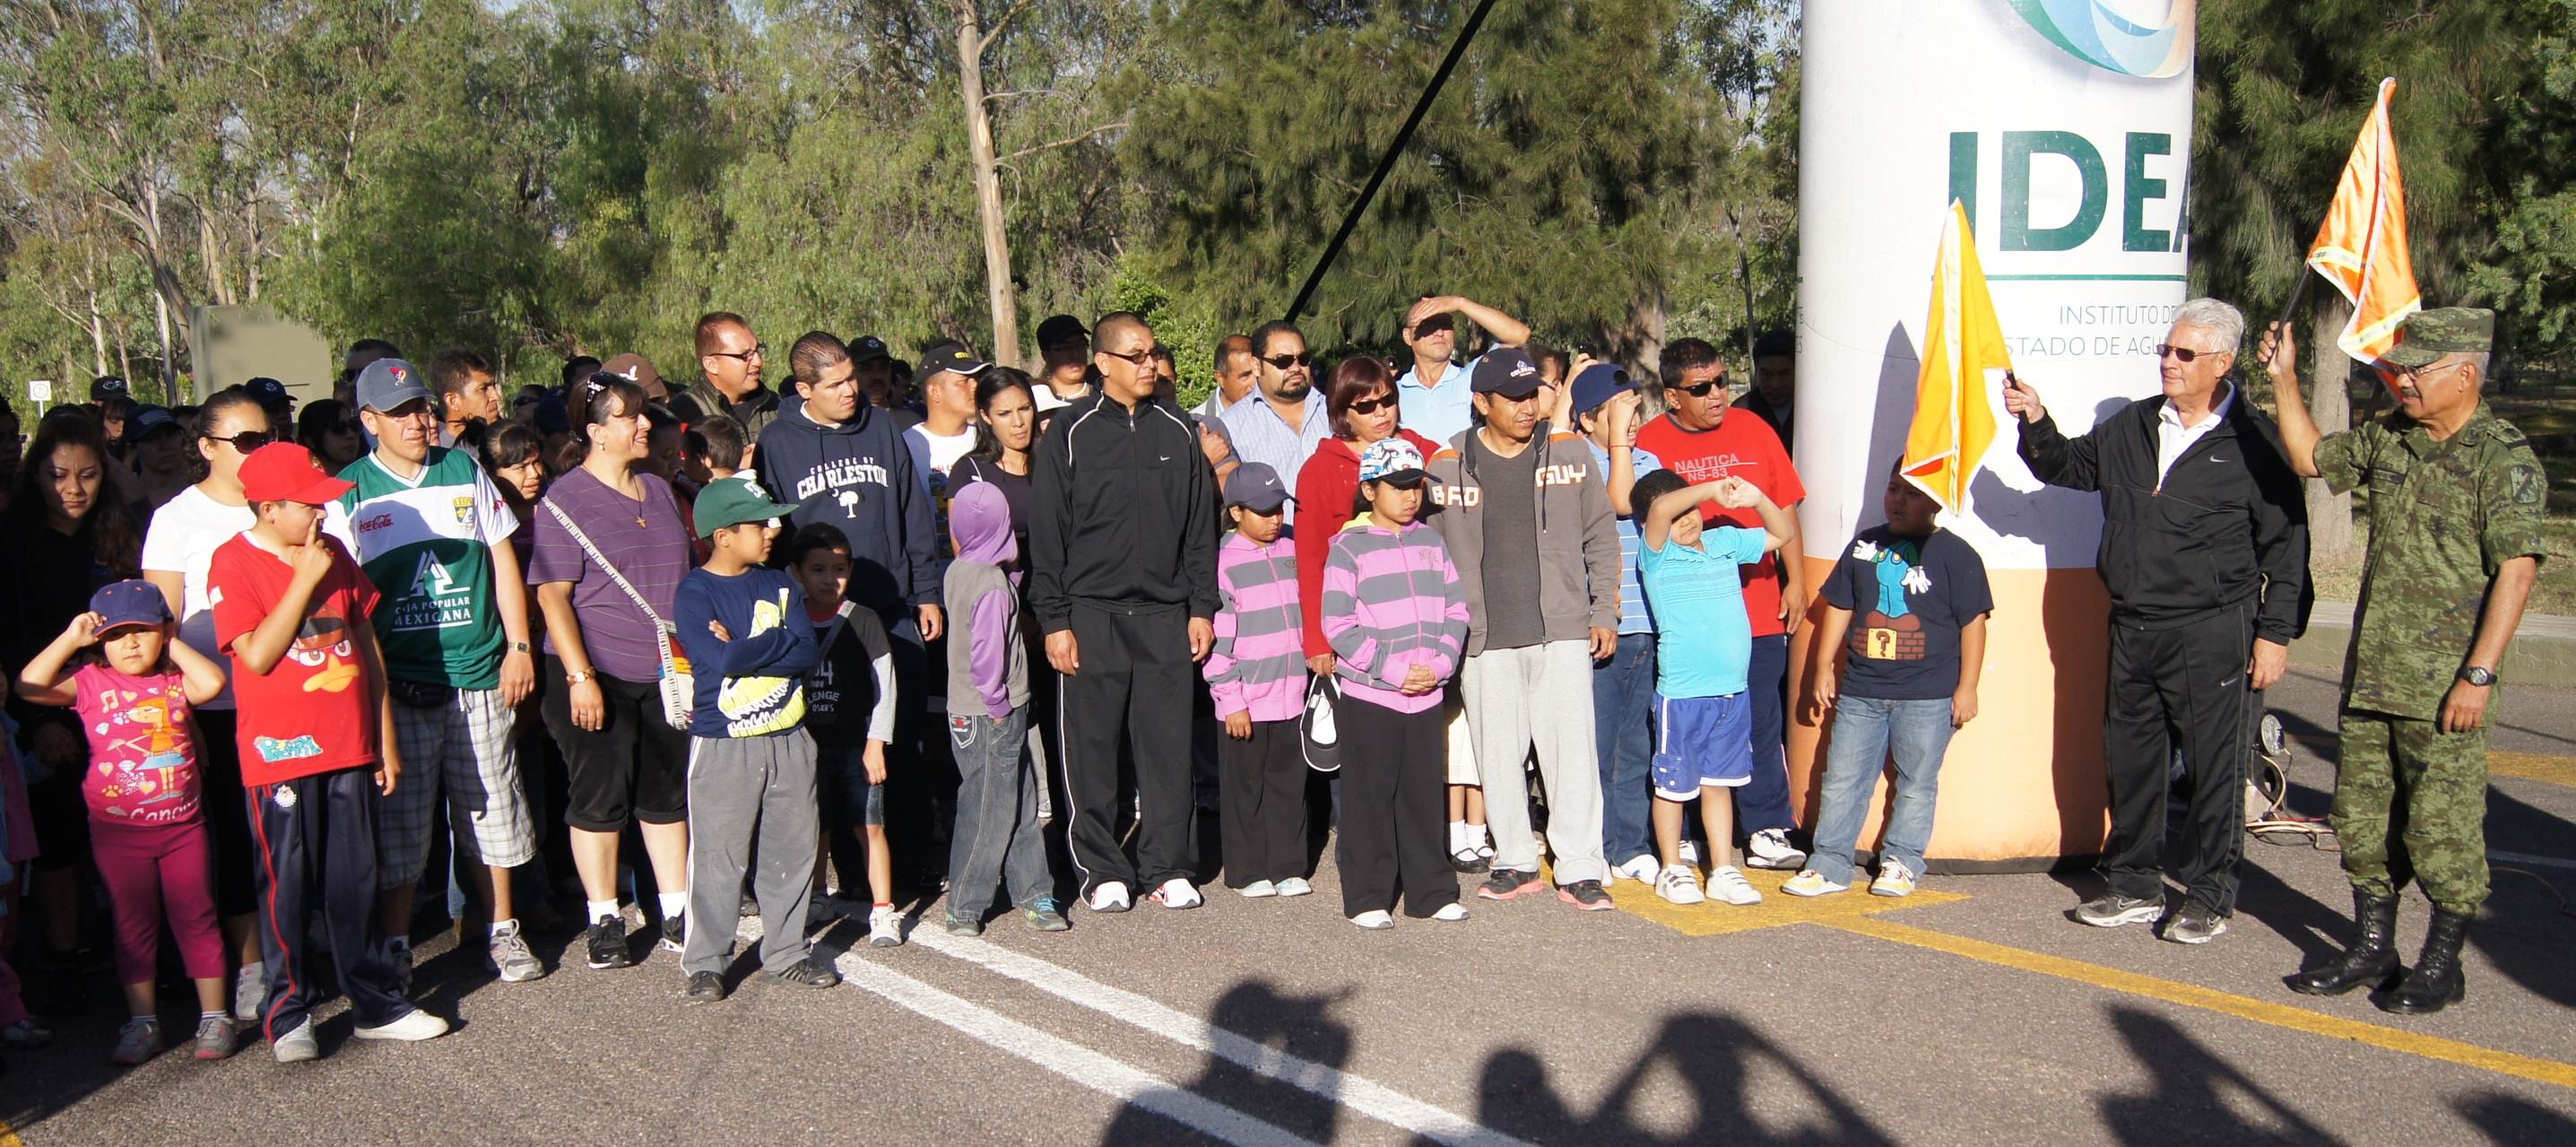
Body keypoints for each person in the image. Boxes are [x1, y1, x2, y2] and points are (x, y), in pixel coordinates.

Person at [2261, 309, 2544, 1012]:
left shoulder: (2501, 458)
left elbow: (2516, 572)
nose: (2402, 380)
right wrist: (2284, 378)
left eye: (2417, 369)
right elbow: (2309, 458)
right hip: (2374, 675)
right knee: (2361, 821)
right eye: (2399, 368)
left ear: (2465, 373)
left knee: (2441, 829)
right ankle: (2371, 946)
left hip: (2445, 685)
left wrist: (2478, 674)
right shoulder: (2391, 434)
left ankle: (2440, 963)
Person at [2005, 297, 2309, 943]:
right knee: (2133, 763)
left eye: (2184, 353)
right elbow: (2070, 466)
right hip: (2133, 625)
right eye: (2165, 350)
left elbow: (2287, 546)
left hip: (2213, 629)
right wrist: (2035, 420)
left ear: (2222, 363)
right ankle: (2134, 884)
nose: (2168, 361)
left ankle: (2209, 895)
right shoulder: (2135, 424)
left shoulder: (2254, 442)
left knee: (2213, 770)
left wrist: (2274, 634)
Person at [211, 442, 447, 1059]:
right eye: (308, 503)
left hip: (348, 747)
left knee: (356, 883)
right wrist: (303, 579)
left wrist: (383, 738)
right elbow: (258, 654)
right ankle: (289, 1012)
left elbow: (366, 644)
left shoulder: (334, 551)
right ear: (268, 508)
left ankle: (376, 1003)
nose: (322, 513)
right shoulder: (233, 561)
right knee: (286, 886)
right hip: (280, 755)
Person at [143, 389, 357, 1026]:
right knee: (244, 844)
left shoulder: (301, 503)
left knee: (309, 841)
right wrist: (182, 706)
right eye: (245, 441)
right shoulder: (177, 519)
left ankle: (307, 945)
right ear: (206, 447)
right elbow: (161, 627)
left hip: (307, 699)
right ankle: (253, 964)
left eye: (268, 436)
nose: (260, 448)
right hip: (220, 706)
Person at [337, 359, 544, 984]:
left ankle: (502, 929)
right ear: (369, 420)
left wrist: (519, 646)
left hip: (479, 673)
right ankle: (397, 943)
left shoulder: (463, 469)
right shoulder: (347, 490)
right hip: (400, 685)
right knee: (402, 826)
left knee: (493, 811)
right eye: (399, 412)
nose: (416, 421)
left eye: (421, 408)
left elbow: (503, 561)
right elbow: (342, 601)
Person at [1029, 312, 1219, 913]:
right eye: (1134, 355)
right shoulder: (1070, 432)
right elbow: (1048, 533)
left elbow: (1200, 530)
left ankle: (1167, 865)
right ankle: (1102, 868)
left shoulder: (1179, 429)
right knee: (1092, 750)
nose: (1148, 364)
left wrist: (1201, 607)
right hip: (1091, 614)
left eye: (1152, 353)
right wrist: (1055, 620)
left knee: (1168, 750)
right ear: (1102, 363)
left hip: (1165, 616)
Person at [1424, 348, 1622, 909]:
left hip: (1562, 630)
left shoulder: (1569, 451)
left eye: (1532, 394)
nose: (1527, 407)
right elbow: (1429, 552)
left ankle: (1580, 867)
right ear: (1481, 402)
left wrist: (1603, 612)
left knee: (1571, 754)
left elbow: (1601, 535)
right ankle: (1513, 858)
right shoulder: (1446, 463)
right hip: (1483, 635)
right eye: (1512, 398)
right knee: (1496, 755)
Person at [14, 581, 236, 1064]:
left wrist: (172, 640)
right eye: (115, 634)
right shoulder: (89, 682)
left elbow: (212, 683)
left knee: (197, 917)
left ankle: (215, 1016)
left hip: (183, 829)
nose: (130, 643)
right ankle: (142, 1021)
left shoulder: (174, 681)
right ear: (99, 642)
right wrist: (71, 639)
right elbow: (28, 685)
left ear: (164, 632)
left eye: (143, 631)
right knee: (134, 926)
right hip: (118, 835)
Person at [526, 372, 697, 970]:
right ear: (596, 432)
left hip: (667, 671)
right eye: (628, 416)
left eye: (643, 413)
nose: (644, 424)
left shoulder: (660, 489)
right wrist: (581, 678)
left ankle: (676, 909)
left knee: (666, 793)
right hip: (594, 671)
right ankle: (604, 917)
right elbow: (552, 596)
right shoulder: (564, 501)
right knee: (599, 797)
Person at [1635, 337, 1810, 873]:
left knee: (1759, 725)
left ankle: (1766, 828)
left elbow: (1784, 508)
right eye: (1701, 388)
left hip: (1756, 609)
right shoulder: (1650, 441)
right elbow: (1646, 515)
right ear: (1672, 396)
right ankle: (1687, 838)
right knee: (1688, 734)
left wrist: (1796, 580)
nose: (1717, 394)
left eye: (1721, 381)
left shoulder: (1755, 428)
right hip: (1686, 623)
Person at [1787, 466, 1991, 899]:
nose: (1897, 500)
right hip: (1861, 692)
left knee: (1916, 783)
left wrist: (1967, 686)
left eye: (1912, 494)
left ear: (1935, 501)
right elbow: (1840, 606)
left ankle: (1901, 861)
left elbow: (1973, 622)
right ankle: (1828, 863)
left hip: (1928, 696)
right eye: (1893, 489)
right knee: (1842, 780)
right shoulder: (1865, 546)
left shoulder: (1957, 554)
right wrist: (1822, 666)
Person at [667, 477, 835, 1001]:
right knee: (719, 855)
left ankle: (786, 952)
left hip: (790, 735)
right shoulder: (695, 592)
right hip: (725, 742)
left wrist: (751, 645)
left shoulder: (780, 583)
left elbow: (806, 652)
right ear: (723, 535)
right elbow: (718, 660)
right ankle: (706, 961)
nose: (772, 531)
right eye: (759, 523)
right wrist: (774, 640)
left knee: (793, 848)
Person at [2, 411, 145, 1017]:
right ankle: (64, 960)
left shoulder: (119, 531)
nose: (73, 488)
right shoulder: (13, 539)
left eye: (88, 474)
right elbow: (10, 638)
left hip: (121, 703)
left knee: (133, 831)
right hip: (43, 705)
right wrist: (40, 722)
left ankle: (140, 956)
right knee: (57, 839)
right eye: (58, 475)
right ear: (35, 473)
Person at [1323, 438, 1470, 928]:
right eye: (1399, 486)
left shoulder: (1431, 541)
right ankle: (1368, 896)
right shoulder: (1348, 548)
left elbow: (1456, 609)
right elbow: (1338, 625)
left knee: (1422, 795)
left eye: (1416, 487)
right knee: (1369, 797)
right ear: (1370, 490)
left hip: (1426, 693)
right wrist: (1393, 670)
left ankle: (1431, 891)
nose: (1411, 496)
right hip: (1372, 695)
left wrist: (1441, 663)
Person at [1627, 470, 1793, 908]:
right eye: (1677, 514)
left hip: (1732, 693)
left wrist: (1758, 499)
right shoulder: (1656, 555)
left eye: (1692, 511)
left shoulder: (1725, 542)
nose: (1686, 519)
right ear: (1649, 525)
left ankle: (1722, 869)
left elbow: (1783, 534)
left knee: (1719, 784)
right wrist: (1710, 489)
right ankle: (1672, 868)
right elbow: (1661, 509)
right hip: (1683, 696)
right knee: (1673, 788)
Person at [755, 332, 943, 646]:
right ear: (804, 390)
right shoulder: (776, 442)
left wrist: (926, 592)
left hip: (890, 603)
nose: (850, 391)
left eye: (851, 378)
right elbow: (773, 534)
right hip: (816, 614)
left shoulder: (880, 425)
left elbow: (912, 511)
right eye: (834, 385)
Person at [940, 482, 1062, 934]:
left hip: (970, 710)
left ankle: (1034, 890)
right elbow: (988, 652)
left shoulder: (960, 569)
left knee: (1019, 800)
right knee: (990, 810)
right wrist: (996, 702)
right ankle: (965, 905)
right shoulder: (991, 585)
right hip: (993, 711)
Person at [1568, 362, 1665, 884]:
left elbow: (1641, 505)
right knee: (1596, 745)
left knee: (1636, 743)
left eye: (1637, 411)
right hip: (1599, 627)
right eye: (1620, 412)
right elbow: (1618, 502)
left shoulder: (1649, 461)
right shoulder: (1575, 460)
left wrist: (1625, 443)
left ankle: (1631, 843)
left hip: (1646, 624)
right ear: (1587, 420)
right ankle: (1597, 846)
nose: (1633, 422)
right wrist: (1619, 446)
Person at [785, 523, 903, 945]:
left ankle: (884, 909)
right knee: (814, 825)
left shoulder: (863, 619)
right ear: (797, 572)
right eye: (818, 569)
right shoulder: (789, 617)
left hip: (856, 743)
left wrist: (876, 743)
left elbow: (885, 684)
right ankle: (818, 896)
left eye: (839, 569)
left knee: (869, 825)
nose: (829, 579)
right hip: (804, 743)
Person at [1204, 463, 1311, 899]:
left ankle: (1288, 866)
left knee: (1289, 784)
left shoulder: (1292, 547)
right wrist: (1231, 700)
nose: (1274, 519)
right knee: (1245, 788)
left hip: (1294, 693)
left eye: (1279, 509)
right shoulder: (1222, 563)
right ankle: (1247, 870)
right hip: (1245, 700)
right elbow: (1216, 642)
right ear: (1235, 512)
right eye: (1263, 511)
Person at [1394, 294, 1532, 445]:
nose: (1439, 333)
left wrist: (1460, 303)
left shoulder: (1474, 376)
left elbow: (1520, 335)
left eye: (1446, 325)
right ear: (1407, 336)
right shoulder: (1392, 395)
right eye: (1428, 325)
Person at [1220, 321, 1332, 489]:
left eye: (1303, 359)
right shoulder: (1232, 426)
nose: (1296, 368)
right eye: (1283, 361)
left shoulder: (1333, 410)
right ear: (1256, 366)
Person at [906, 340, 994, 539]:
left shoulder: (989, 439)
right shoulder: (907, 446)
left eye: (976, 378)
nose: (975, 386)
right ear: (935, 392)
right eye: (963, 381)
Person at [672, 311, 783, 439]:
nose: (758, 362)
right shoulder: (684, 414)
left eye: (758, 350)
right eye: (745, 355)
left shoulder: (777, 406)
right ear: (711, 364)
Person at [429, 347, 507, 448]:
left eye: (493, 387)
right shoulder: (436, 454)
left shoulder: (508, 444)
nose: (497, 397)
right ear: (453, 401)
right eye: (483, 389)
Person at [125, 406, 193, 508]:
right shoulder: (124, 499)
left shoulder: (203, 492)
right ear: (133, 448)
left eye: (171, 435)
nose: (165, 446)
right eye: (151, 439)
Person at [1740, 329, 1795, 453]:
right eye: (1767, 374)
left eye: (1784, 374)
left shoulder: (1814, 411)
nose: (1775, 385)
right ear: (1756, 371)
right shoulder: (1743, 411)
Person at [1030, 314, 1093, 413]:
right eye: (1064, 348)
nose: (1075, 354)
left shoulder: (1104, 398)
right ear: (1046, 355)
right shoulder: (1035, 404)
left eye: (1080, 345)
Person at [1195, 335, 1258, 419]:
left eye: (1259, 372)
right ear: (1220, 378)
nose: (1256, 383)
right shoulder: (1197, 423)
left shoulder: (1272, 411)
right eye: (1246, 376)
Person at [296, 400, 366, 474]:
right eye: (338, 427)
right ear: (311, 441)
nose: (351, 435)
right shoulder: (300, 480)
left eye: (354, 425)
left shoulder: (368, 478)